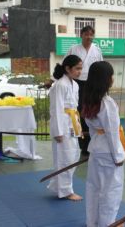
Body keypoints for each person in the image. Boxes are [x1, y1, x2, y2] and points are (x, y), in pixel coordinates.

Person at [81, 61, 125, 227]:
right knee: (111, 190)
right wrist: (118, 156)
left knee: (94, 188)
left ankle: (92, 222)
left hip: (96, 149)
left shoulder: (90, 101)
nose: (113, 78)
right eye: (111, 75)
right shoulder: (107, 103)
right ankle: (108, 223)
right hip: (108, 152)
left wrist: (95, 144)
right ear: (106, 79)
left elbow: (94, 130)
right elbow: (112, 133)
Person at [47, 54, 83, 201]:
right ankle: (65, 191)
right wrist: (58, 131)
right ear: (67, 68)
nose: (80, 71)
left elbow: (74, 107)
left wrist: (78, 125)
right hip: (62, 125)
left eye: (81, 68)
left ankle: (58, 185)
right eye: (77, 68)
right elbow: (56, 109)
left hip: (73, 122)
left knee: (74, 155)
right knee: (65, 158)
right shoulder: (59, 85)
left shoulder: (75, 84)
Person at [66, 25, 103, 156]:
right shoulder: (73, 49)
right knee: (77, 112)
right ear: (81, 35)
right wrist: (55, 78)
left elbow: (101, 68)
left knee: (91, 112)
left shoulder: (97, 50)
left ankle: (90, 144)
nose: (89, 37)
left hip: (92, 85)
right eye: (86, 34)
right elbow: (65, 65)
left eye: (91, 34)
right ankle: (80, 144)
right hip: (77, 83)